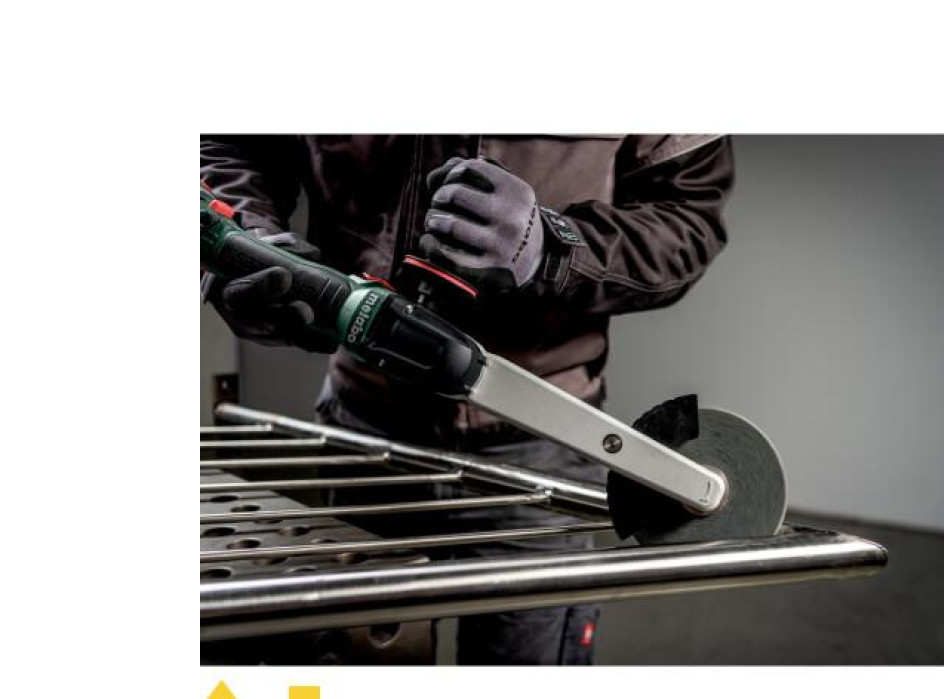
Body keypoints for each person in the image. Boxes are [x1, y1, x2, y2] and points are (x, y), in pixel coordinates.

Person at [200, 135, 734, 665]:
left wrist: (556, 246)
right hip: (362, 428)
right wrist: (246, 244)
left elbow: (687, 219)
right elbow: (228, 146)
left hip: (541, 449)